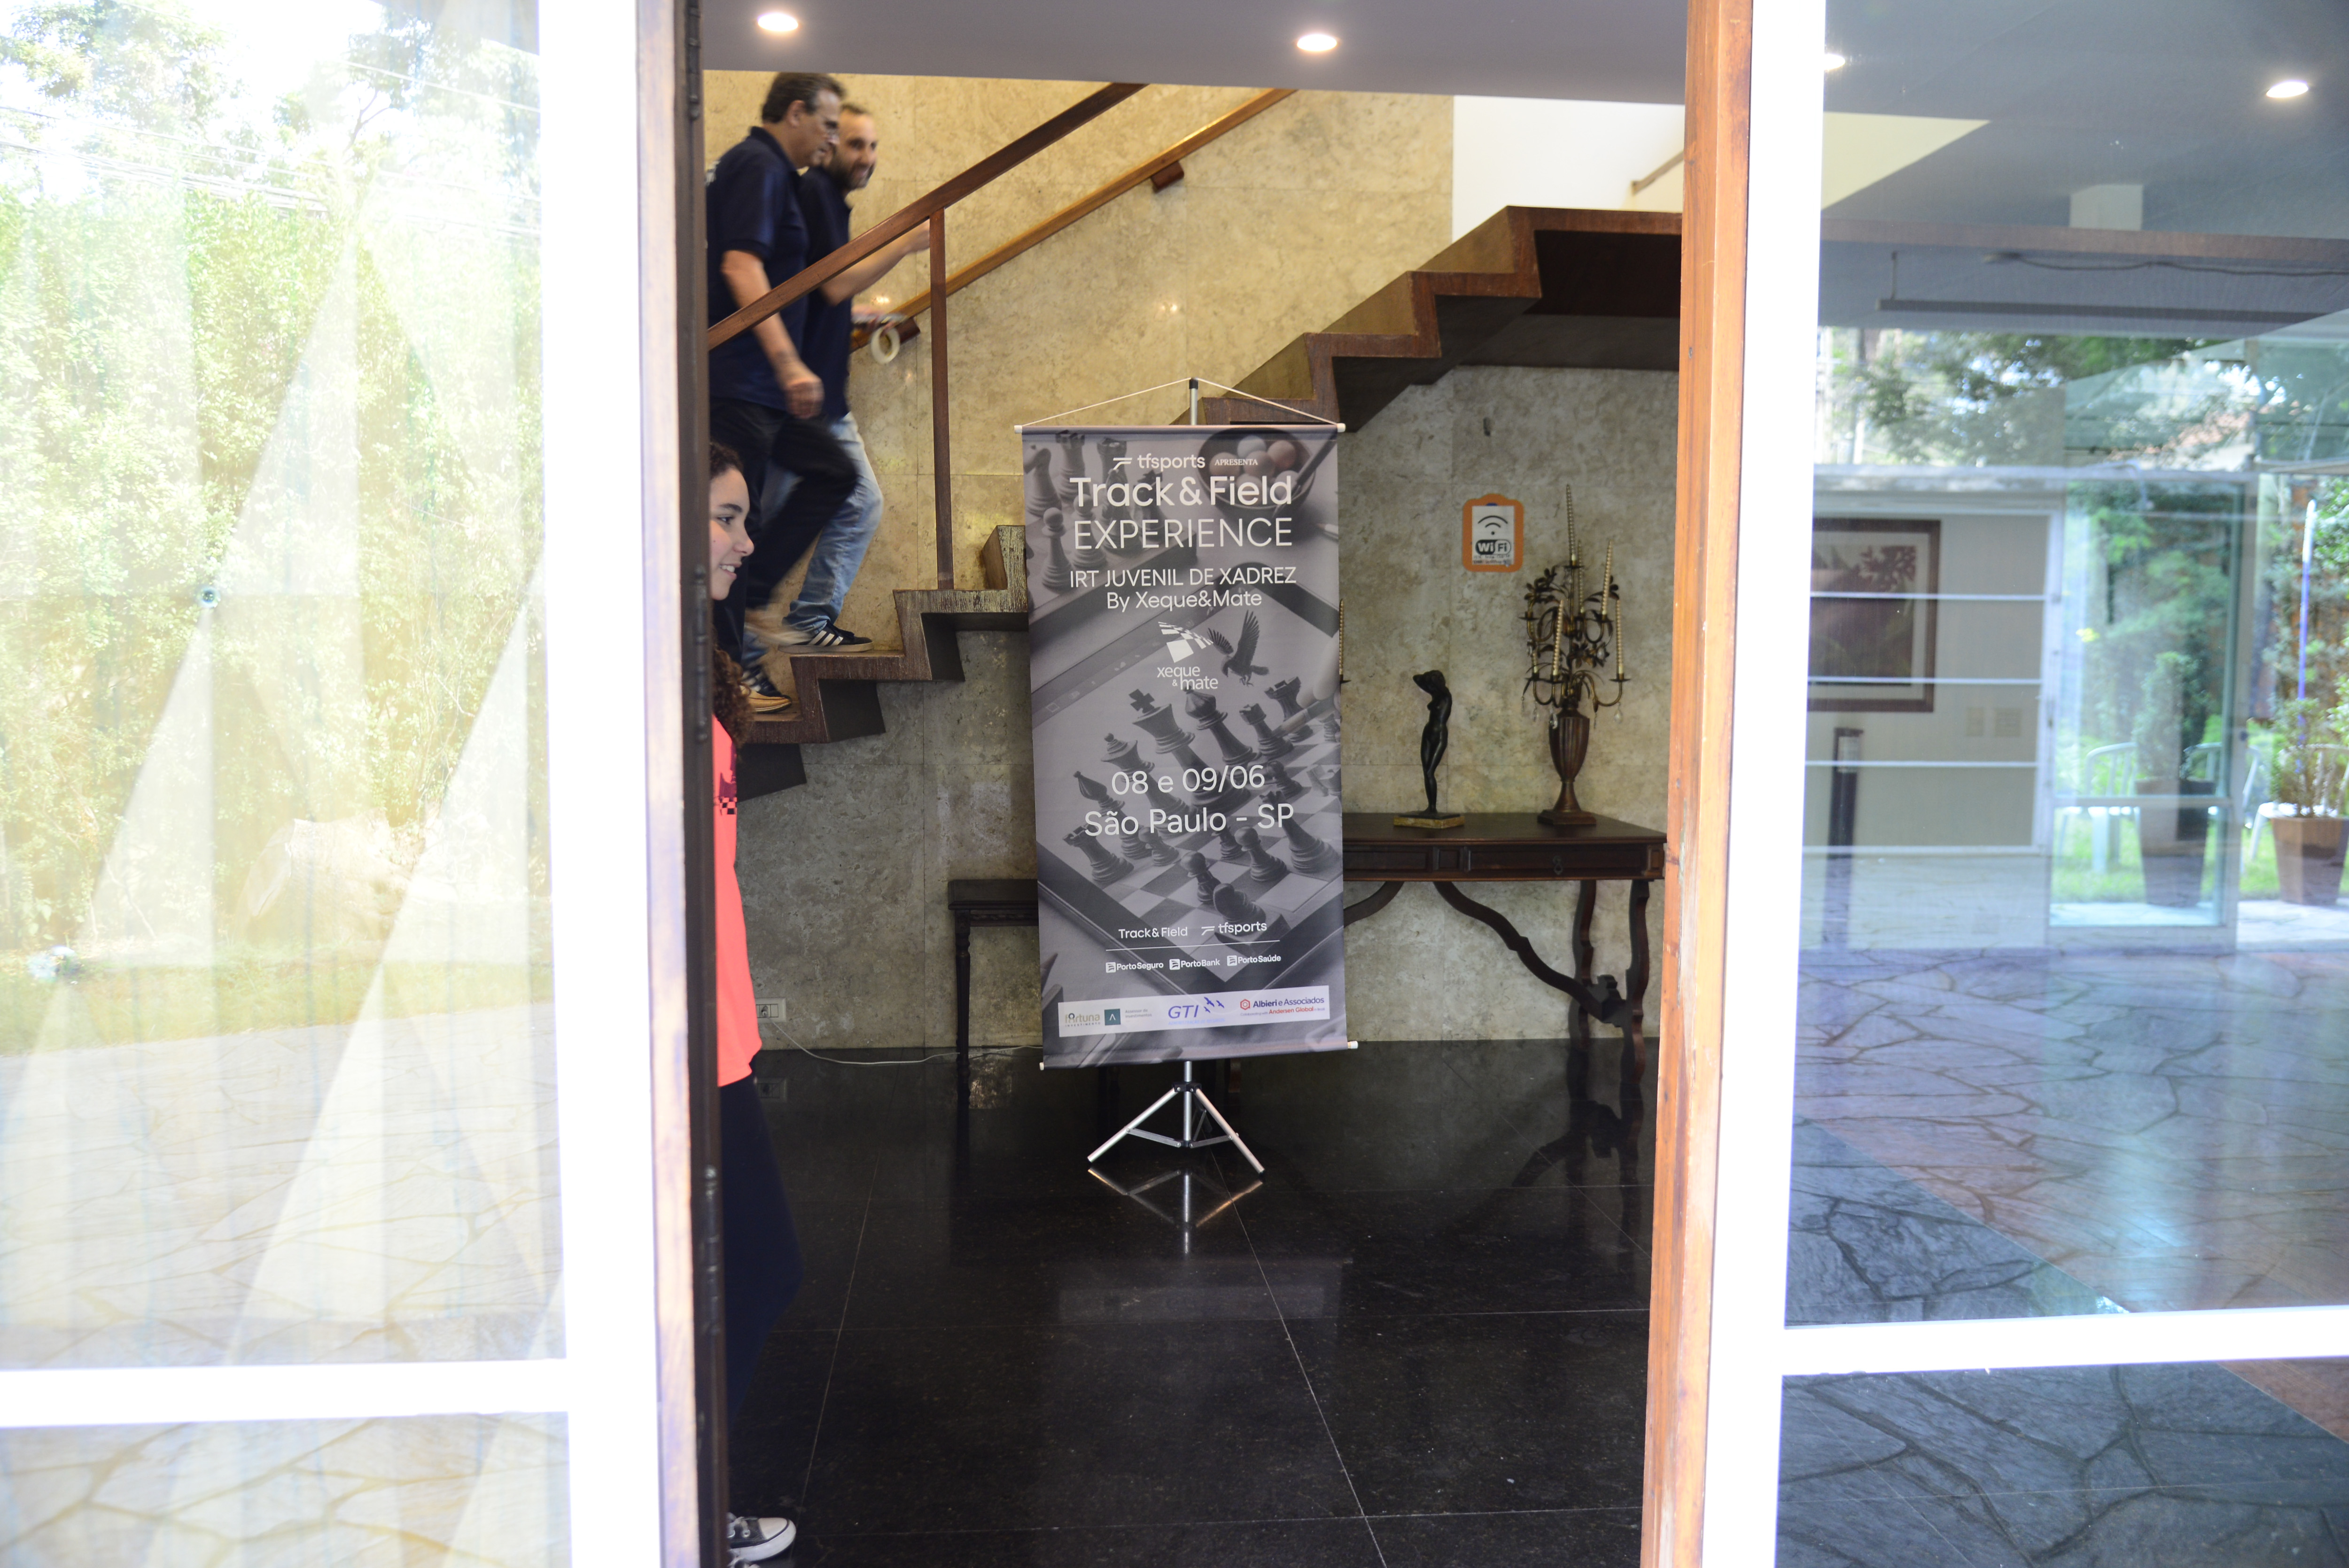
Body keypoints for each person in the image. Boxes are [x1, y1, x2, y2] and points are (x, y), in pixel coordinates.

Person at [706, 442, 805, 1564]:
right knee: (762, 1265)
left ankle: (683, 1500)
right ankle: (685, 1507)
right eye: (726, 518)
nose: (744, 540)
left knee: (740, 1273)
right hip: (683, 1047)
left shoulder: (693, 661)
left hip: (720, 1034)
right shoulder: (642, 680)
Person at [743, 100, 928, 653]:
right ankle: (742, 658)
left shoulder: (828, 201)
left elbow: (817, 292)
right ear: (827, 146)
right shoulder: (816, 194)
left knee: (857, 505)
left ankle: (807, 619)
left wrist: (856, 314)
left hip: (825, 398)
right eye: (854, 144)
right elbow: (829, 283)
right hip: (799, 400)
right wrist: (903, 243)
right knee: (763, 527)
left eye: (871, 145)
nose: (866, 156)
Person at [707, 70, 860, 712]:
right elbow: (740, 264)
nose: (831, 140)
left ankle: (755, 600)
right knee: (733, 526)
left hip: (761, 387)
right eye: (827, 125)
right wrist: (789, 360)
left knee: (834, 472)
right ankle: (729, 682)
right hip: (739, 380)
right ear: (795, 113)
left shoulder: (778, 173)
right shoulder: (757, 165)